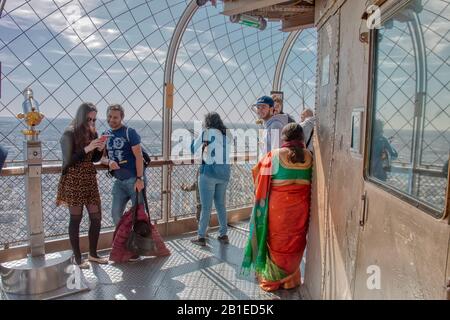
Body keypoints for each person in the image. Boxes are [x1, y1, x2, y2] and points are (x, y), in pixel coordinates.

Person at [242, 123, 313, 292]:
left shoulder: (273, 156)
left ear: (283, 138)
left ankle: (272, 280)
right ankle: (291, 279)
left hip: (278, 210)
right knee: (296, 239)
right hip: (301, 210)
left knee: (276, 240)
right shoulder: (310, 157)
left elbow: (258, 177)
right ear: (302, 138)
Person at [56, 102, 108, 268]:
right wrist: (87, 148)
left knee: (96, 217)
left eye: (94, 119)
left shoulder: (92, 133)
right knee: (76, 219)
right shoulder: (69, 133)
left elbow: (94, 159)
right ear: (81, 117)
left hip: (89, 178)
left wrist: (100, 148)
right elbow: (68, 161)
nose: (92, 122)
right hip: (74, 179)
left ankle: (93, 254)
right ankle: (78, 259)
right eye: (89, 119)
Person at [100, 104, 146, 227]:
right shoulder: (105, 134)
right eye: (109, 117)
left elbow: (139, 157)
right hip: (119, 181)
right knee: (115, 215)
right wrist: (109, 162)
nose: (111, 120)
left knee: (139, 216)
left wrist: (139, 178)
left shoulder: (129, 132)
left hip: (133, 180)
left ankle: (138, 243)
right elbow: (102, 157)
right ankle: (125, 242)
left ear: (122, 117)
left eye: (115, 117)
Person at [190, 112, 231, 246]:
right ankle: (223, 234)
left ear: (207, 122)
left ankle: (201, 236)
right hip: (224, 173)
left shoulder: (206, 133)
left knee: (206, 207)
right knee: (220, 205)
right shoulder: (227, 135)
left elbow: (192, 149)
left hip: (208, 173)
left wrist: (198, 136)